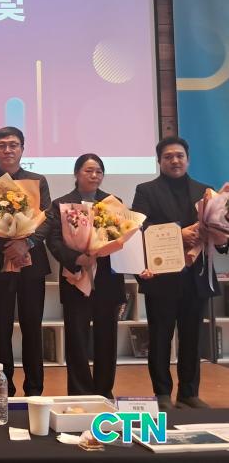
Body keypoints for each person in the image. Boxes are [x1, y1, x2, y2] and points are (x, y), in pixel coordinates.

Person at [132, 136, 227, 410]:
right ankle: (162, 393)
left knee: (192, 338)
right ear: (159, 161)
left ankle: (189, 392)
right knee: (160, 337)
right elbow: (139, 228)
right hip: (162, 277)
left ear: (188, 159)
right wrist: (178, 234)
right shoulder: (146, 191)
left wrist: (222, 237)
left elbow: (219, 229)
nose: (174, 160)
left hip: (196, 276)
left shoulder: (205, 191)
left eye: (179, 156)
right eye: (168, 156)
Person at [0, 126, 51, 397]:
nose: (8, 150)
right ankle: (4, 389)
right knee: (1, 328)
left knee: (32, 326)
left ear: (22, 149)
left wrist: (26, 243)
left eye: (13, 145)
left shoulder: (37, 181)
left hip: (32, 265)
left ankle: (34, 389)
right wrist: (8, 246)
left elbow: (47, 219)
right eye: (2, 145)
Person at [45, 154, 124, 398]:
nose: (94, 175)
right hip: (75, 277)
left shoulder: (114, 203)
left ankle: (104, 391)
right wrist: (77, 258)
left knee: (106, 338)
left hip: (107, 280)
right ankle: (80, 391)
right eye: (88, 170)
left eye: (98, 171)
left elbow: (123, 238)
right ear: (77, 173)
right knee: (76, 338)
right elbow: (53, 240)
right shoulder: (61, 204)